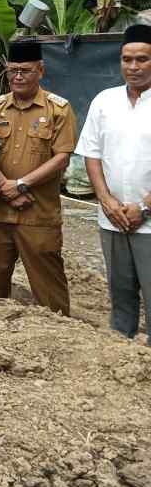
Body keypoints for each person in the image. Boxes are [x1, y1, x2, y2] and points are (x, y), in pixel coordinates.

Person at [0, 41, 76, 316]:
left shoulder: (58, 110)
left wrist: (21, 185)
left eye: (25, 70)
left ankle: (57, 334)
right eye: (12, 71)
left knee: (49, 290)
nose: (18, 77)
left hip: (38, 213)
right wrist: (5, 186)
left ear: (40, 70)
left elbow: (62, 157)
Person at [76, 24, 151, 342]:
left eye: (142, 59)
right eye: (126, 59)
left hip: (147, 221)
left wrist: (144, 206)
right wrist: (105, 200)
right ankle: (121, 353)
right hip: (113, 219)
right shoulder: (104, 101)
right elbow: (92, 154)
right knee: (120, 295)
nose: (133, 67)